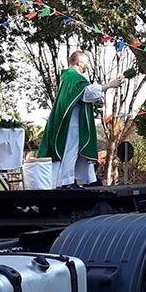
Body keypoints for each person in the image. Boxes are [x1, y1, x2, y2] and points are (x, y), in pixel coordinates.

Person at [38, 51, 123, 189]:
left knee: (77, 150)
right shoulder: (73, 77)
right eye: (85, 63)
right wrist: (110, 85)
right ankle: (66, 181)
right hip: (71, 125)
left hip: (74, 122)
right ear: (79, 63)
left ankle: (85, 179)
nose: (86, 66)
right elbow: (86, 93)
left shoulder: (67, 77)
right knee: (70, 150)